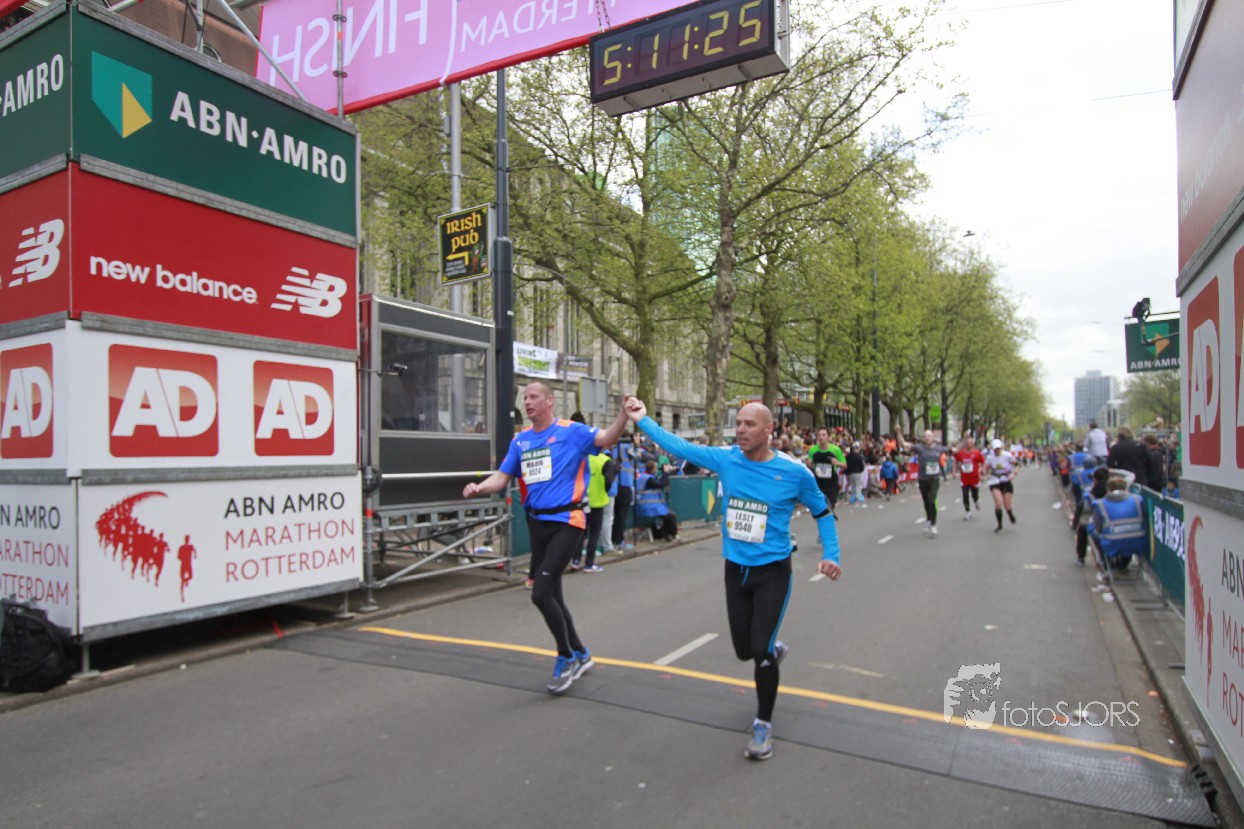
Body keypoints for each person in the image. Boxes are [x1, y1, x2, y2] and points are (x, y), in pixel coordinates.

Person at [624, 395, 841, 761]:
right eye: (738, 423)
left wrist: (831, 555)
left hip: (773, 571)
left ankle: (763, 724)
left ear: (769, 429)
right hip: (735, 569)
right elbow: (679, 446)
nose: (740, 429)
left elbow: (822, 511)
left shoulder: (793, 472)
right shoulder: (726, 459)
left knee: (760, 652)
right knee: (744, 651)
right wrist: (643, 419)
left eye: (749, 424)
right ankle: (771, 650)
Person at [463, 381, 630, 694]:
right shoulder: (521, 440)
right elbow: (502, 477)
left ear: (549, 401)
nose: (527, 402)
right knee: (554, 594)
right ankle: (581, 652)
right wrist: (479, 487)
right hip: (537, 523)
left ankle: (566, 657)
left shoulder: (571, 431)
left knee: (540, 594)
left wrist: (622, 414)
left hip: (568, 521)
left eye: (534, 397)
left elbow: (607, 438)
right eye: (525, 397)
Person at [897, 428, 950, 537]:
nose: (927, 438)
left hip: (934, 478)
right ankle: (929, 519)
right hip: (923, 479)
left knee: (932, 500)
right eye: (925, 437)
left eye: (929, 436)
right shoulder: (920, 448)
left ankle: (934, 525)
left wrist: (965, 439)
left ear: (933, 438)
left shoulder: (939, 448)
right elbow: (904, 444)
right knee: (926, 501)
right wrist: (898, 432)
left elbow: (956, 449)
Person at [1089, 476, 1147, 572]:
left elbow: (1099, 528)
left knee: (1093, 531)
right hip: (1138, 543)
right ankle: (1122, 564)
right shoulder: (1138, 499)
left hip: (1112, 544)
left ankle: (1107, 564)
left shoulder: (1100, 504)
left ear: (1108, 489)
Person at [571, 447, 613, 573]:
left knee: (580, 532)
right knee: (594, 533)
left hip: (582, 499)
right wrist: (604, 490)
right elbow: (609, 480)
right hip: (598, 501)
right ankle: (589, 564)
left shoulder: (583, 458)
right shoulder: (605, 460)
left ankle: (575, 561)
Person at [1072, 463, 1108, 566]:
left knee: (1083, 528)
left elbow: (1083, 508)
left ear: (1095, 480)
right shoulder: (1111, 491)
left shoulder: (1091, 492)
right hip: (1113, 522)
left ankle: (1081, 558)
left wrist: (1075, 523)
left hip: (1098, 523)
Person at [635, 460, 679, 540]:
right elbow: (661, 484)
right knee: (671, 516)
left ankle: (663, 535)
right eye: (655, 468)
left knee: (666, 515)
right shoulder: (649, 479)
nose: (656, 470)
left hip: (647, 506)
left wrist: (664, 474)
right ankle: (672, 535)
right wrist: (666, 473)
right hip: (649, 507)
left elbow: (659, 482)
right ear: (652, 469)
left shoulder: (644, 477)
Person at [983, 438, 1019, 532]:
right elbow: (985, 468)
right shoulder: (990, 457)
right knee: (999, 503)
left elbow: (1018, 465)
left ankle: (1010, 513)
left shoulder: (1007, 455)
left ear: (1001, 448)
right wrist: (983, 472)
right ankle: (999, 525)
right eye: (995, 449)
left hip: (1006, 480)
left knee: (1008, 506)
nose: (997, 451)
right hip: (994, 480)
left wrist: (1014, 473)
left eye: (998, 448)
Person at [807, 427, 846, 513]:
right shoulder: (813, 449)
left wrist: (837, 463)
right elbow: (810, 465)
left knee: (829, 507)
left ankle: (830, 518)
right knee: (820, 509)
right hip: (818, 483)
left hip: (831, 483)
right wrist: (809, 464)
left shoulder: (835, 449)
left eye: (823, 435)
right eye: (819, 435)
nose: (821, 437)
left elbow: (845, 466)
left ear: (829, 437)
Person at [1107, 425, 1158, 489]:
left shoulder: (1115, 447)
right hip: (1140, 476)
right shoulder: (1140, 446)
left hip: (1123, 477)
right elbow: (1151, 460)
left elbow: (1110, 464)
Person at [954, 436, 985, 519]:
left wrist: (981, 471)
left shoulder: (977, 453)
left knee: (974, 495)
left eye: (970, 443)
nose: (969, 444)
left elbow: (983, 462)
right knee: (965, 495)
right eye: (967, 443)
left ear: (973, 444)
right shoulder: (961, 453)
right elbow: (956, 462)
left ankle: (976, 501)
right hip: (964, 479)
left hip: (974, 478)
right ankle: (967, 512)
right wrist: (954, 472)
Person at [845, 441, 867, 507]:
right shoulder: (859, 456)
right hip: (857, 472)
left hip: (850, 473)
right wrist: (861, 470)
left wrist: (847, 472)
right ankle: (857, 498)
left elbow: (846, 464)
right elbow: (862, 465)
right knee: (858, 485)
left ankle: (853, 497)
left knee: (852, 486)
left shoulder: (848, 456)